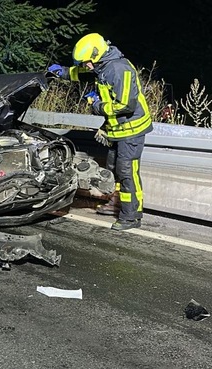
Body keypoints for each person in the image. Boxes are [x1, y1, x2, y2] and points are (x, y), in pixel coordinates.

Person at [48, 33, 152, 231]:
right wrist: (61, 72)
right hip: (117, 129)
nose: (86, 65)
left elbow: (125, 106)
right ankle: (117, 202)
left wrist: (96, 104)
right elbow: (81, 73)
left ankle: (131, 216)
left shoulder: (118, 69)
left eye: (87, 61)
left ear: (96, 55)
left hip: (131, 129)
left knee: (127, 172)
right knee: (114, 168)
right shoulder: (101, 65)